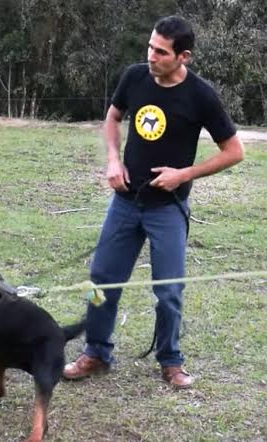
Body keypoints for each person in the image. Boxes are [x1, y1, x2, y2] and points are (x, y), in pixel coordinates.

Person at [63, 16, 244, 388]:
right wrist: (113, 159)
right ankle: (96, 352)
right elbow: (112, 119)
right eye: (150, 47)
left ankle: (170, 360)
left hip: (168, 210)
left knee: (169, 291)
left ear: (183, 57)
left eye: (160, 52)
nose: (151, 56)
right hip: (125, 203)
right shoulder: (134, 77)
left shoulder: (201, 95)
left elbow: (234, 151)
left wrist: (183, 174)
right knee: (100, 281)